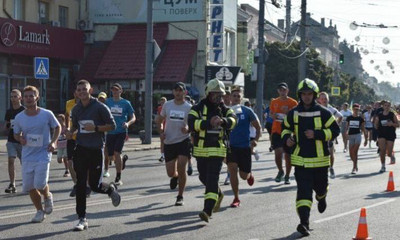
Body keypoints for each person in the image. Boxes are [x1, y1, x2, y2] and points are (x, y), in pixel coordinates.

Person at [281, 78, 340, 236]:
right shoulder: (294, 113)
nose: (306, 96)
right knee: (303, 192)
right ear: (300, 95)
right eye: (303, 94)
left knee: (320, 189)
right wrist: (287, 139)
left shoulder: (324, 112)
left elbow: (335, 131)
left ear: (314, 95)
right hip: (301, 161)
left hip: (320, 161)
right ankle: (304, 223)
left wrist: (317, 134)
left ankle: (322, 197)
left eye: (309, 94)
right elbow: (285, 129)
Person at [67, 79, 121, 231]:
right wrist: (71, 133)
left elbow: (112, 126)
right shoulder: (76, 110)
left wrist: (96, 128)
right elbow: (76, 128)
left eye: (85, 89)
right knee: (81, 185)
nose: (82, 92)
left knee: (95, 185)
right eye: (79, 90)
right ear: (76, 93)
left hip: (96, 149)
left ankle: (110, 190)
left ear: (90, 91)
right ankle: (82, 218)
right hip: (81, 149)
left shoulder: (100, 107)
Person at [188, 78, 237, 222]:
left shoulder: (224, 109)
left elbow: (234, 121)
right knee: (203, 177)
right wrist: (208, 123)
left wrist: (223, 121)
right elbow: (191, 123)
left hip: (217, 150)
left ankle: (207, 210)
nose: (218, 97)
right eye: (215, 93)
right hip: (201, 150)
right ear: (208, 93)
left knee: (212, 178)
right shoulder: (197, 108)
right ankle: (218, 194)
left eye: (220, 94)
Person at [13, 85, 61, 223]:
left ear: (37, 98)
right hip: (27, 154)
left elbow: (57, 127)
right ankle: (39, 211)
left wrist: (53, 142)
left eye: (31, 96)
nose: (28, 99)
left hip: (43, 153)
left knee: (40, 184)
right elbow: (16, 134)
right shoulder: (19, 117)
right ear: (23, 98)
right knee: (29, 187)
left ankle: (47, 195)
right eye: (26, 96)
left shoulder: (46, 114)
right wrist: (20, 138)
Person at [156, 82, 192, 206]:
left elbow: (192, 124)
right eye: (176, 90)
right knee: (170, 173)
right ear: (173, 92)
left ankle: (180, 196)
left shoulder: (188, 107)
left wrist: (187, 129)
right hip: (169, 141)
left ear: (184, 92)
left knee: (182, 168)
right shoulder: (167, 105)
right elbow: (159, 120)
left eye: (180, 90)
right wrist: (160, 131)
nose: (178, 92)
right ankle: (175, 177)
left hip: (183, 140)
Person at [227, 86, 261, 208]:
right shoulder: (226, 111)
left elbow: (258, 127)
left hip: (245, 147)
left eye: (238, 96)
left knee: (243, 176)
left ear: (241, 99)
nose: (236, 98)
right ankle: (236, 198)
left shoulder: (247, 111)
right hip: (231, 147)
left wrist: (255, 140)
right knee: (232, 170)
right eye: (234, 96)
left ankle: (249, 174)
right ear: (230, 97)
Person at [105, 83, 136, 185]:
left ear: (120, 91)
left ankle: (118, 177)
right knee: (111, 157)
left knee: (117, 153)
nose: (114, 92)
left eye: (116, 90)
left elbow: (133, 117)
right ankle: (122, 161)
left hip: (121, 132)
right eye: (113, 90)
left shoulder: (126, 103)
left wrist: (128, 123)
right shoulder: (107, 102)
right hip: (110, 131)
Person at [270, 82, 298, 184]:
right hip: (276, 130)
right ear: (278, 91)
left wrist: (288, 113)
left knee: (287, 155)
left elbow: (297, 116)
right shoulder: (274, 102)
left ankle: (287, 175)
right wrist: (272, 116)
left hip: (288, 131)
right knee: (278, 153)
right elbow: (271, 113)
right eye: (280, 90)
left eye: (284, 90)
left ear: (287, 90)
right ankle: (281, 171)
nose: (282, 92)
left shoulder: (293, 102)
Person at [317, 92, 342, 179]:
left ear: (328, 100)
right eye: (322, 99)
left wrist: (336, 126)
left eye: (325, 99)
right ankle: (321, 170)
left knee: (330, 153)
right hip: (319, 134)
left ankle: (331, 168)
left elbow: (340, 116)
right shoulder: (316, 109)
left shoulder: (331, 109)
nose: (324, 100)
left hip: (329, 134)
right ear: (319, 100)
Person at [4, 89, 25, 193]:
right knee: (11, 161)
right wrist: (8, 125)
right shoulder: (9, 111)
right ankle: (12, 184)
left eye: (15, 96)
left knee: (24, 163)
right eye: (11, 97)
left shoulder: (24, 110)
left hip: (22, 141)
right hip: (11, 140)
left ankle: (27, 182)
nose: (13, 99)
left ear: (20, 97)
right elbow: (6, 126)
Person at [375, 100, 399, 173]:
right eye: (385, 105)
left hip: (390, 134)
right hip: (381, 134)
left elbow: (398, 124)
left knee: (388, 153)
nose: (386, 107)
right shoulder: (379, 115)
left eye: (388, 105)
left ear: (390, 106)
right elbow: (376, 125)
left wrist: (392, 124)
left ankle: (391, 156)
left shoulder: (392, 114)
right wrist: (376, 124)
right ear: (383, 106)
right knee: (382, 151)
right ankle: (383, 166)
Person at [65, 91, 79, 197]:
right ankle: (76, 184)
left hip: (83, 138)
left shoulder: (87, 105)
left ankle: (85, 184)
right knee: (70, 162)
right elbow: (66, 115)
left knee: (82, 163)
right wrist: (67, 128)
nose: (78, 94)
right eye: (76, 92)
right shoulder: (69, 103)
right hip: (71, 138)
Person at [345, 104, 367, 174]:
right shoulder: (349, 118)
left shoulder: (360, 119)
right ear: (352, 109)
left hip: (357, 135)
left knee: (355, 151)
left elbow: (363, 128)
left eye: (357, 109)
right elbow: (347, 127)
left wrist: (366, 138)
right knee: (351, 154)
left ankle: (354, 167)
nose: (356, 111)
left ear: (359, 110)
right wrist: (346, 134)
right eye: (355, 109)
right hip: (351, 135)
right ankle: (355, 164)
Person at [222, 87, 232, 185]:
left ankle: (229, 175)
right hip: (222, 135)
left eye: (227, 96)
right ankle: (232, 168)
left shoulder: (234, 108)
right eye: (224, 96)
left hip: (232, 135)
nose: (226, 98)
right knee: (223, 157)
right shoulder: (220, 107)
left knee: (229, 157)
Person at [157, 97, 167, 162]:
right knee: (162, 141)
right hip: (162, 127)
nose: (163, 103)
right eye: (162, 102)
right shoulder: (159, 108)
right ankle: (162, 155)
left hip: (169, 127)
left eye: (164, 102)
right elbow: (158, 117)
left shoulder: (169, 108)